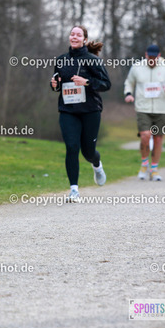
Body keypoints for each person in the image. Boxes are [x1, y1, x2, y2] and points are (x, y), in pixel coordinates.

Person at [50, 26, 111, 202]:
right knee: (71, 147)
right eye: (72, 34)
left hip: (90, 110)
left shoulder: (93, 60)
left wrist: (87, 82)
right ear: (69, 37)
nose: (74, 37)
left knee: (88, 152)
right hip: (68, 110)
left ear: (84, 39)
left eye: (78, 35)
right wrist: (54, 85)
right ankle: (74, 190)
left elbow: (106, 84)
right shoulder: (61, 60)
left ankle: (97, 165)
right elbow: (58, 84)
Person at [124, 44, 165, 181]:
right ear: (146, 55)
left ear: (159, 56)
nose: (152, 60)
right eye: (150, 57)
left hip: (162, 108)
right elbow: (129, 82)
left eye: (154, 57)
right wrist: (128, 94)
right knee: (145, 135)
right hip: (143, 108)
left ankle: (154, 169)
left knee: (158, 139)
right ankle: (144, 164)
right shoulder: (137, 67)